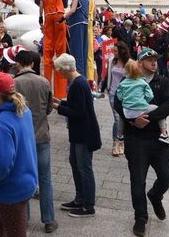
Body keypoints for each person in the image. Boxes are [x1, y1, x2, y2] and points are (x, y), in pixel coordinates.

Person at [114, 48, 169, 237]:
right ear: (140, 63)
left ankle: (155, 195)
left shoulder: (162, 81)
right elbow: (118, 104)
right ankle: (140, 217)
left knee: (168, 175)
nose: (154, 62)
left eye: (156, 59)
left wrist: (146, 117)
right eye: (150, 60)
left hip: (158, 138)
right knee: (137, 181)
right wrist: (133, 120)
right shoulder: (128, 80)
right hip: (135, 139)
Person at [0, 71, 38, 237]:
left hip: (11, 189)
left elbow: (1, 163)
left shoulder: (2, 123)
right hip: (23, 182)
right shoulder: (23, 110)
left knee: (13, 232)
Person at [12, 49, 57, 232]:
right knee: (45, 178)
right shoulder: (44, 81)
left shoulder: (14, 83)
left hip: (22, 137)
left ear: (18, 64)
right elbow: (49, 108)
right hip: (41, 135)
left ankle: (24, 218)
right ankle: (49, 219)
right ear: (32, 63)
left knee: (23, 176)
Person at [52, 53, 101, 219]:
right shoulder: (78, 82)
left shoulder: (78, 84)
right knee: (75, 164)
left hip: (84, 133)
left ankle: (88, 205)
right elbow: (77, 105)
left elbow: (79, 112)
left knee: (84, 168)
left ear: (66, 69)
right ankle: (80, 199)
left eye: (59, 69)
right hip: (79, 133)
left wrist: (57, 107)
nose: (58, 72)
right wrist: (61, 102)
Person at [116, 60, 169, 144]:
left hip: (127, 112)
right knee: (156, 108)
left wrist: (126, 100)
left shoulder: (123, 82)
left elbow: (119, 96)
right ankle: (163, 133)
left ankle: (120, 135)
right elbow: (150, 95)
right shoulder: (142, 82)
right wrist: (143, 101)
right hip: (141, 109)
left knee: (121, 116)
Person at [40, 0, 68, 99]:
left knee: (47, 50)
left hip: (48, 17)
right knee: (60, 51)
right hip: (59, 17)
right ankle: (60, 92)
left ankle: (46, 89)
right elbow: (66, 1)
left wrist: (40, 18)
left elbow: (41, 5)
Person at [106, 41, 131, 156]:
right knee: (117, 118)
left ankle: (122, 142)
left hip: (125, 95)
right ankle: (116, 143)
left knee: (123, 119)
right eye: (113, 51)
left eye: (116, 51)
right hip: (112, 93)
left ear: (122, 51)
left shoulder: (129, 63)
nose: (114, 53)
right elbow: (107, 75)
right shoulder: (111, 61)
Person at [64, 0, 92, 75]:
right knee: (84, 51)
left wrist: (63, 17)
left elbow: (72, 10)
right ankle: (83, 74)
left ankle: (77, 74)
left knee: (76, 50)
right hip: (85, 24)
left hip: (76, 25)